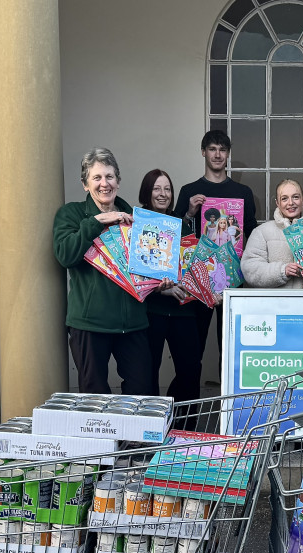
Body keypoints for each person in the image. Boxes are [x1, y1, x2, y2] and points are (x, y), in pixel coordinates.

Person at [52, 147, 151, 395]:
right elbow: (65, 256)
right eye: (96, 178)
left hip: (133, 323)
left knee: (142, 390)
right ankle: (103, 437)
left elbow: (150, 266)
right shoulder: (71, 214)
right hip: (90, 324)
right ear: (85, 184)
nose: (104, 184)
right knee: (93, 396)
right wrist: (96, 222)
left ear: (118, 181)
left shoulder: (138, 219)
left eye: (109, 176)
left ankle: (131, 437)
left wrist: (161, 282)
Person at [172, 130, 257, 358]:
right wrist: (189, 213)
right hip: (197, 276)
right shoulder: (189, 191)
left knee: (230, 345)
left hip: (232, 275)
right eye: (212, 149)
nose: (217, 154)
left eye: (222, 149)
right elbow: (175, 236)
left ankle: (226, 393)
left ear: (228, 154)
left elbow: (253, 233)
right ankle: (191, 393)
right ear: (203, 152)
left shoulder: (243, 193)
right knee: (193, 345)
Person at [137, 168, 203, 403]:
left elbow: (192, 263)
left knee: (191, 369)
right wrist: (161, 288)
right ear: (147, 192)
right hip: (151, 311)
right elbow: (134, 269)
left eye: (167, 189)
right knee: (147, 372)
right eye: (157, 188)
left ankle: (180, 423)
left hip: (183, 309)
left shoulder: (181, 224)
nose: (163, 194)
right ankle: (151, 426)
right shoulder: (137, 223)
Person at [241, 180, 303, 291]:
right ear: (277, 203)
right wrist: (282, 271)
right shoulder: (262, 232)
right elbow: (250, 269)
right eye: (284, 198)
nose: (291, 202)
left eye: (296, 197)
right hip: (274, 305)